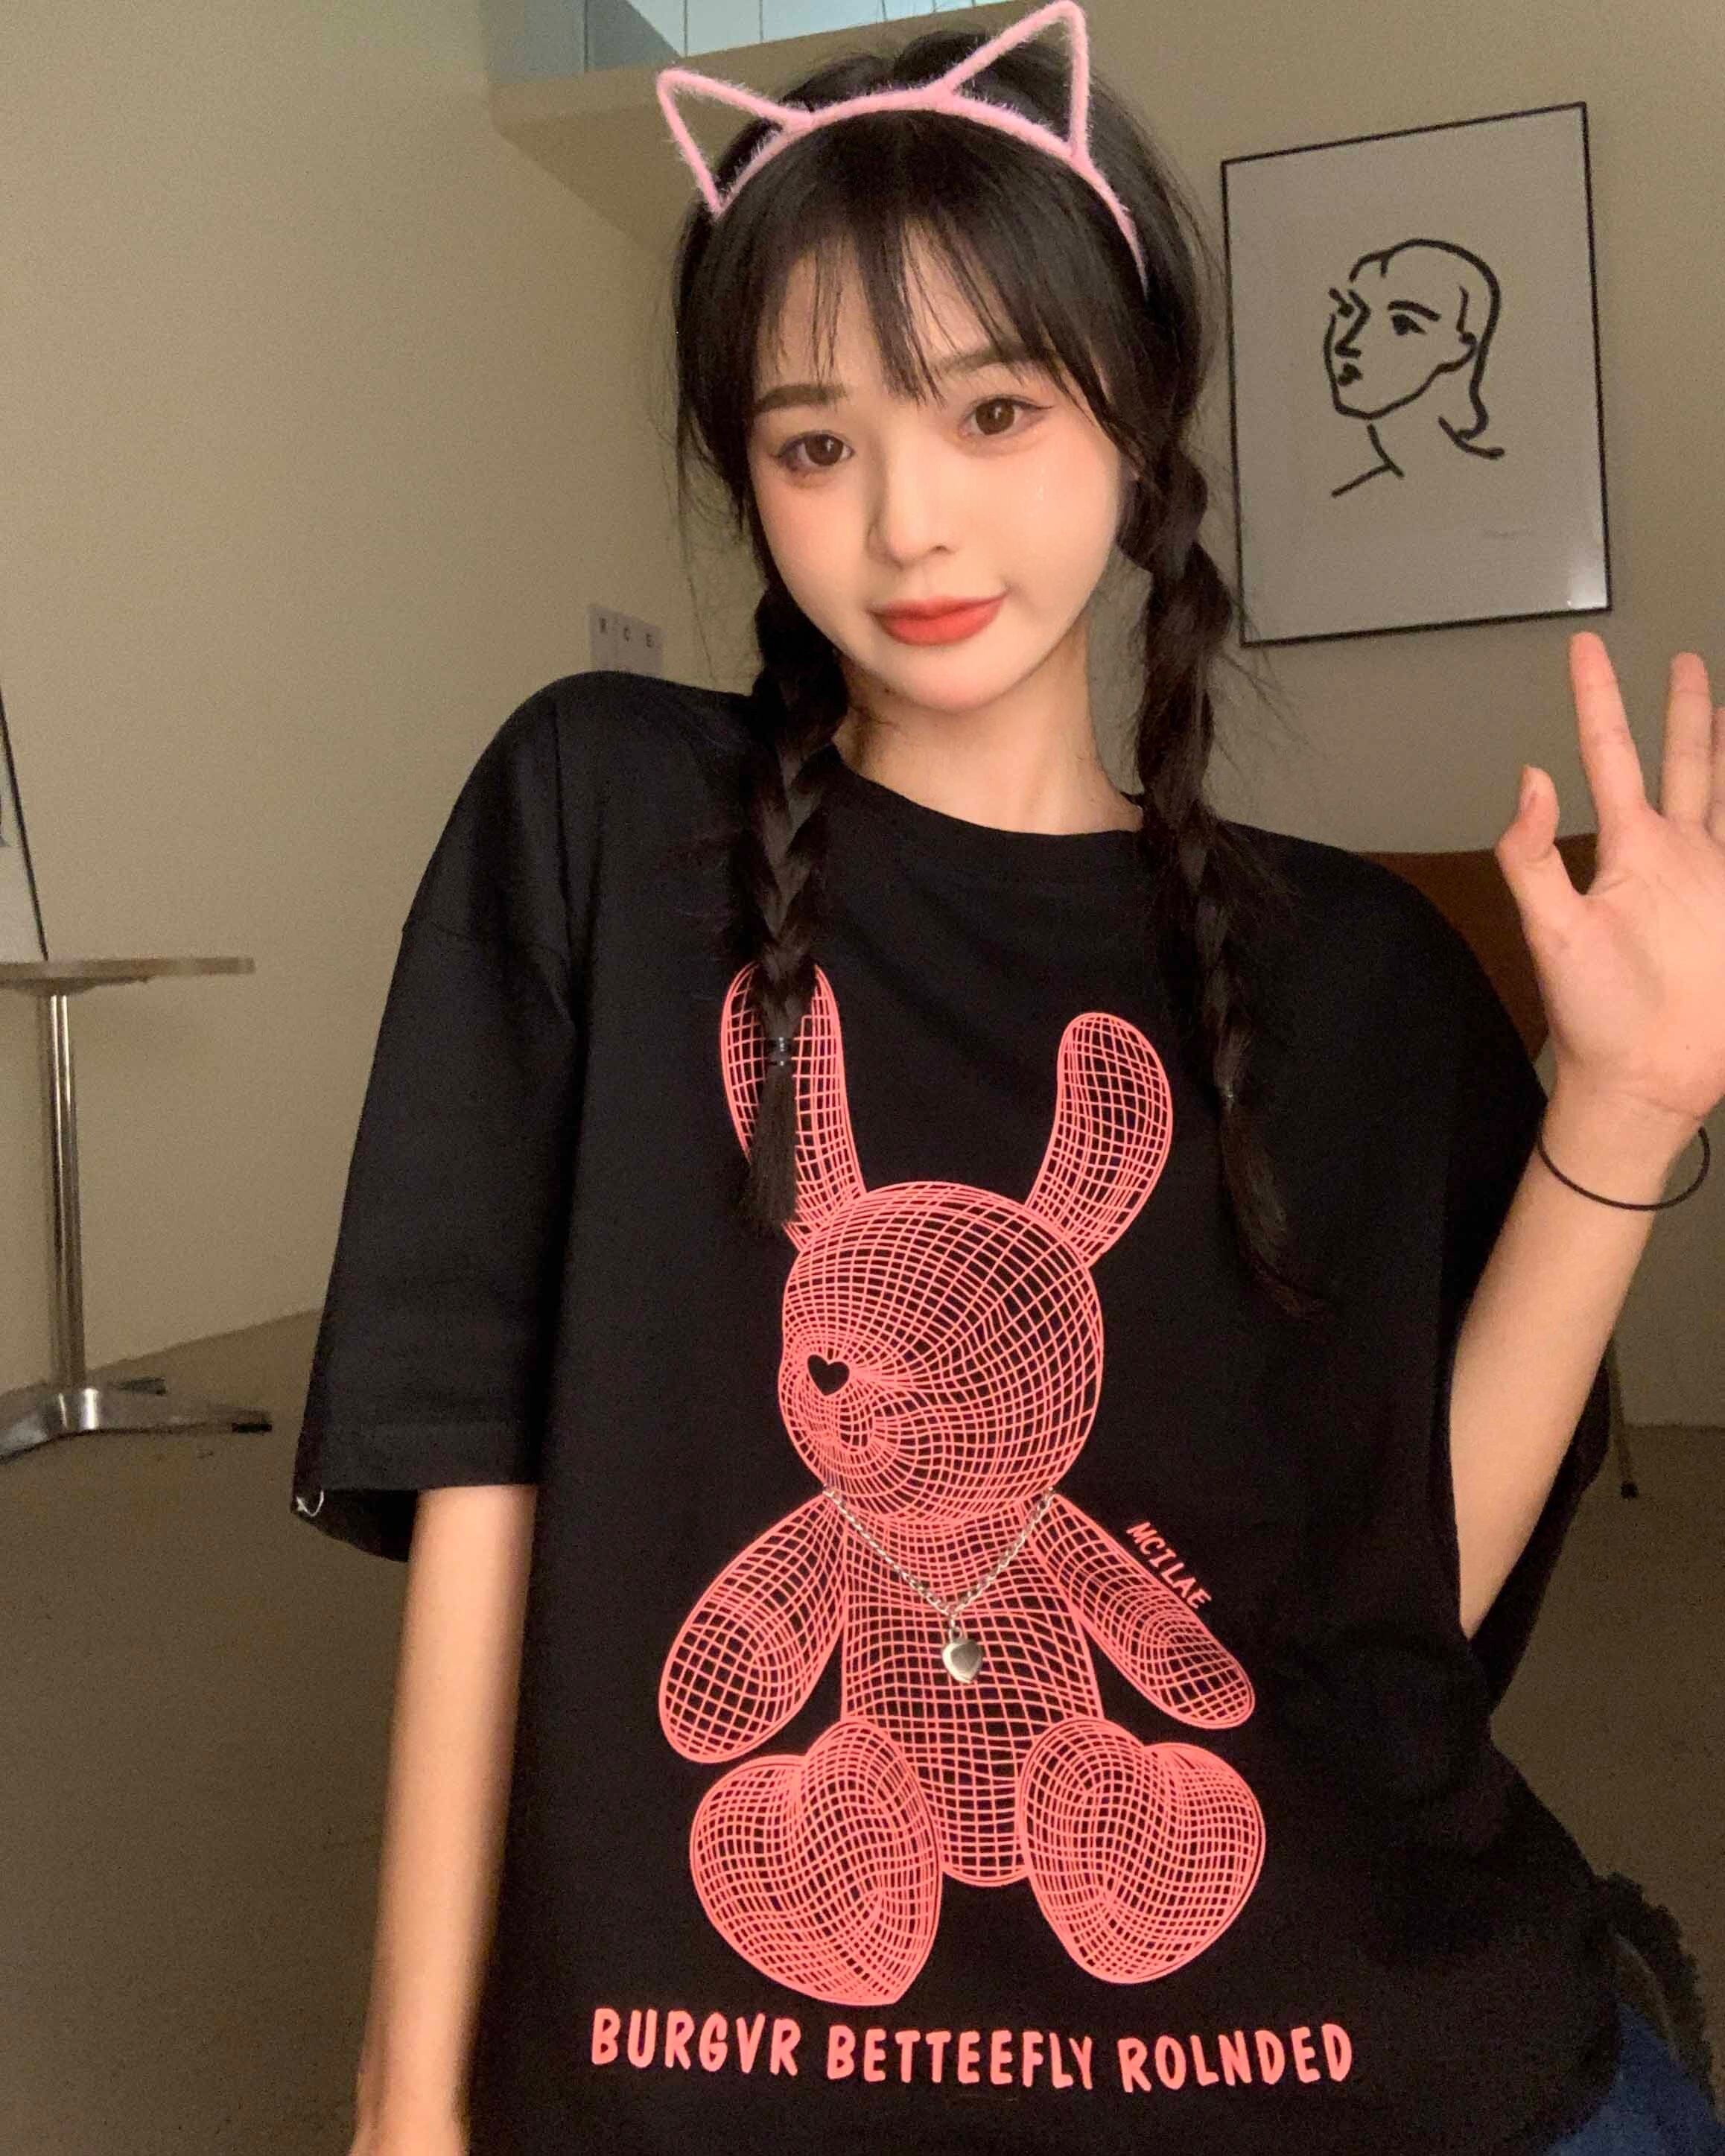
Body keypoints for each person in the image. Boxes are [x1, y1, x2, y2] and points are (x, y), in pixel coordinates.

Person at [290, 6, 1725, 2152]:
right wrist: (405, 2109)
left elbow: (1390, 1611)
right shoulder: (602, 821)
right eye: (815, 445)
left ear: (1135, 411)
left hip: (1337, 2034)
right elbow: (475, 1460)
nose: (907, 526)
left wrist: (1626, 1106)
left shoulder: (1347, 971)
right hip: (729, 2076)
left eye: (991, 410)